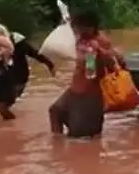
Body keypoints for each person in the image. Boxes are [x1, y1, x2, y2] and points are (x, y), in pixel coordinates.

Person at [49, 9, 114, 139]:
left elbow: (112, 66)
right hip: (74, 89)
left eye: (81, 27)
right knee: (55, 111)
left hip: (90, 93)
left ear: (91, 27)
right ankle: (57, 145)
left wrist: (99, 50)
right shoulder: (79, 39)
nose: (79, 30)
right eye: (77, 27)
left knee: (79, 137)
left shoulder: (101, 41)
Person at [8, 32, 56, 102]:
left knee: (12, 97)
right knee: (12, 97)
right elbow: (36, 55)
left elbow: (36, 55)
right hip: (17, 74)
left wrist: (50, 65)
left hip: (18, 75)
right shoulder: (21, 45)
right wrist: (50, 65)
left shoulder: (21, 45)